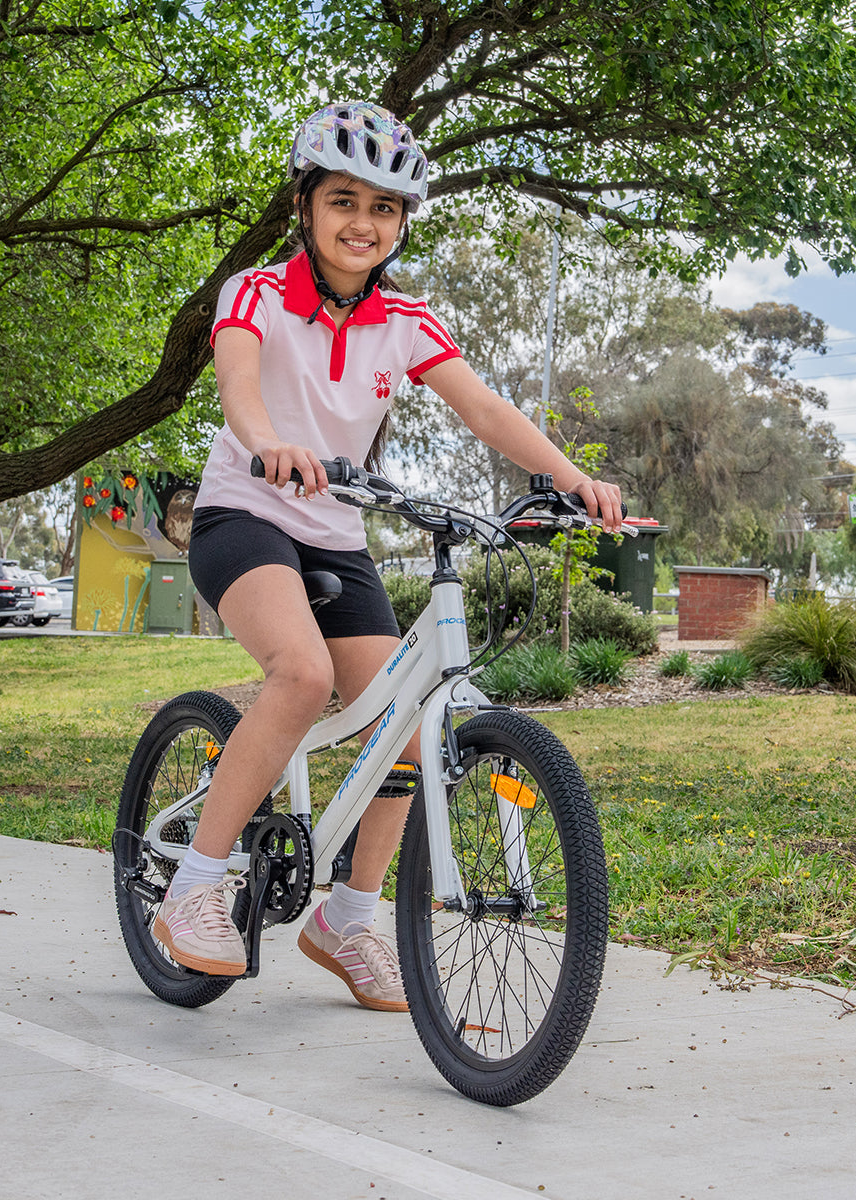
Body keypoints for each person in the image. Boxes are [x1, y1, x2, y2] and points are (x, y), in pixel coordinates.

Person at [153, 101, 624, 1010]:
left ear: (403, 222)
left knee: (410, 732)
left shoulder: (406, 320)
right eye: (342, 200)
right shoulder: (253, 293)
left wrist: (572, 479)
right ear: (305, 206)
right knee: (299, 675)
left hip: (336, 532)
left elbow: (485, 411)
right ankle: (196, 885)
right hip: (245, 516)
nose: (362, 223)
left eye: (384, 208)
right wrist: (267, 445)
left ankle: (349, 919)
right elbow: (241, 389)